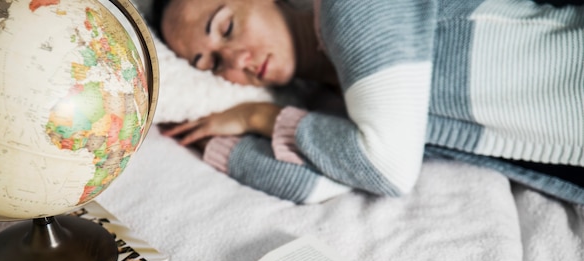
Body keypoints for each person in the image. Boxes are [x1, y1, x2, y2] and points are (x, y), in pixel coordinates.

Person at [152, 0, 584, 205]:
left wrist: (258, 115)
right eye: (208, 63)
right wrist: (200, 135)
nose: (235, 60)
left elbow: (387, 169)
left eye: (226, 28)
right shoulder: (329, 102)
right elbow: (318, 185)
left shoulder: (355, 8)